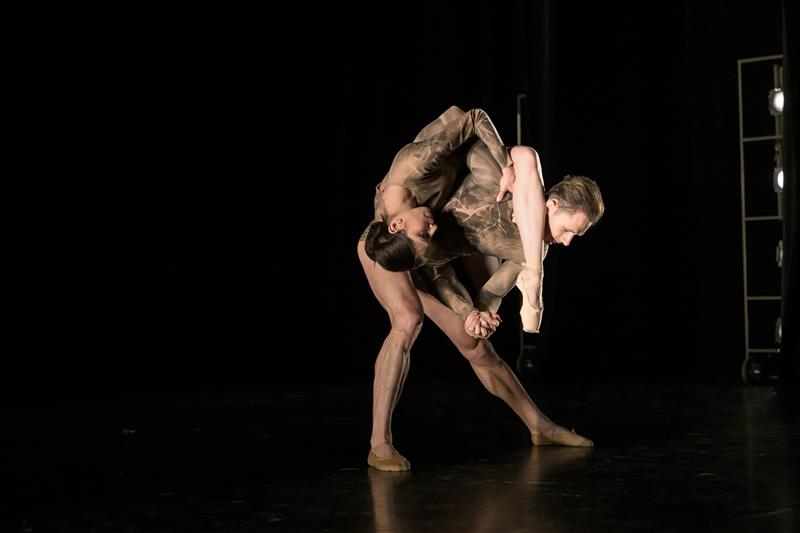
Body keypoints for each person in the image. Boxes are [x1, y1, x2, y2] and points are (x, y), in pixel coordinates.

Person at [357, 106, 602, 472]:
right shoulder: (413, 175)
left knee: (475, 344)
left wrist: (473, 313)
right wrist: (506, 163)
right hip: (388, 249)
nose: (566, 241)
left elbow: (441, 270)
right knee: (407, 319)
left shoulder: (439, 223)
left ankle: (540, 426)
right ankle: (380, 444)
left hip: (429, 249)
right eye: (568, 231)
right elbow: (480, 128)